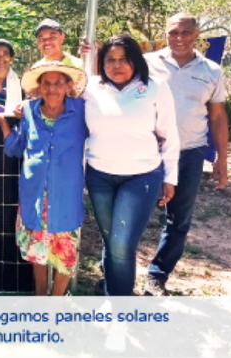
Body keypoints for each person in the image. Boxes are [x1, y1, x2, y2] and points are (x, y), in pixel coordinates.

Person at [82, 34, 180, 296]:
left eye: (124, 59)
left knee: (122, 246)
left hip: (141, 176)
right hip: (100, 176)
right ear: (102, 63)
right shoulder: (90, 88)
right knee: (110, 240)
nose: (117, 65)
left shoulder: (155, 87)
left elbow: (170, 136)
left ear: (136, 61)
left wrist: (170, 178)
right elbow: (56, 95)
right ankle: (112, 291)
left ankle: (119, 308)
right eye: (110, 60)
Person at [0, 62, 88, 295]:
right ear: (39, 87)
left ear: (68, 86)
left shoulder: (81, 110)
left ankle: (56, 301)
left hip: (65, 197)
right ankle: (41, 297)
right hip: (35, 195)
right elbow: (15, 148)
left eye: (58, 83)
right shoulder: (29, 111)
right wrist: (3, 122)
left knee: (65, 254)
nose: (52, 89)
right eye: (46, 84)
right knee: (37, 251)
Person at [143, 13, 229, 296]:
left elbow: (217, 116)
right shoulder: (146, 63)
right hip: (147, 152)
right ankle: (114, 274)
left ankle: (157, 276)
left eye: (185, 32)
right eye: (173, 32)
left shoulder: (211, 70)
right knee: (130, 214)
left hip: (190, 153)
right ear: (165, 33)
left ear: (197, 34)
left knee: (178, 219)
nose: (179, 38)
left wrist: (221, 159)